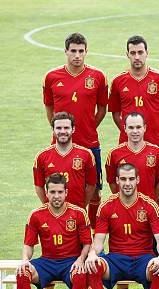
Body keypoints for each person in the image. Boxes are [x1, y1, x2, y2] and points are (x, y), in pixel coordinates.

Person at [83, 163, 159, 289]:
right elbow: (98, 241)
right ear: (117, 181)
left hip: (143, 259)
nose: (127, 183)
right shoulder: (107, 206)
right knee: (92, 266)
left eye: (131, 179)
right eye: (123, 179)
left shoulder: (150, 205)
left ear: (137, 180)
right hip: (116, 259)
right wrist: (92, 254)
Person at [105, 112, 159, 289]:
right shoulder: (114, 154)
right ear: (124, 129)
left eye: (138, 127)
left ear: (144, 128)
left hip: (149, 214)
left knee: (153, 259)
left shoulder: (156, 152)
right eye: (130, 128)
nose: (134, 131)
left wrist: (149, 199)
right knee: (120, 252)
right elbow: (113, 184)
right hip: (122, 213)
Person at [33, 112, 97, 289]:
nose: (62, 131)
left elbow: (91, 185)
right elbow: (39, 186)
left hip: (78, 216)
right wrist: (47, 207)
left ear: (73, 129)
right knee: (48, 255)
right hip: (51, 217)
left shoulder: (86, 154)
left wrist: (82, 207)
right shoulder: (43, 157)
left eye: (66, 128)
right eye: (58, 128)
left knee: (84, 258)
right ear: (53, 130)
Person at [43, 32, 108, 227]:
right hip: (59, 146)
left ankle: (92, 234)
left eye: (81, 51)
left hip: (89, 144)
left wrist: (87, 127)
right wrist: (59, 131)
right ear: (65, 51)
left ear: (86, 51)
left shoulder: (98, 77)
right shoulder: (52, 77)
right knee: (58, 189)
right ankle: (61, 231)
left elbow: (102, 109)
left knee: (95, 190)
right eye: (73, 51)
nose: (77, 55)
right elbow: (49, 107)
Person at [16, 174, 91, 289]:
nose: (56, 196)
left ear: (66, 192)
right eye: (52, 192)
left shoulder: (78, 213)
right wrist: (25, 260)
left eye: (59, 192)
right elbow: (28, 245)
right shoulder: (36, 215)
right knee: (22, 273)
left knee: (80, 275)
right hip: (47, 261)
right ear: (46, 192)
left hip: (70, 261)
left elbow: (87, 243)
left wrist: (80, 260)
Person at [108, 35, 159, 149]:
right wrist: (128, 133)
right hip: (126, 145)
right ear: (127, 55)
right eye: (133, 53)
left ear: (147, 53)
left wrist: (157, 134)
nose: (137, 57)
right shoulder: (117, 81)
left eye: (140, 52)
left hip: (155, 145)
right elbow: (115, 114)